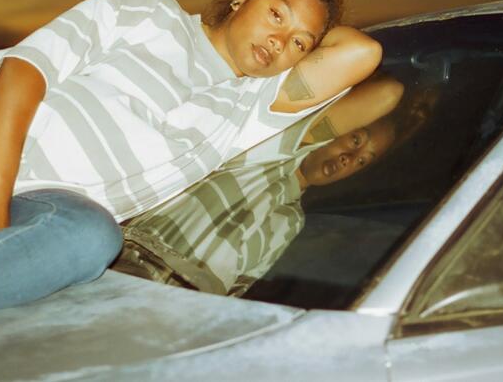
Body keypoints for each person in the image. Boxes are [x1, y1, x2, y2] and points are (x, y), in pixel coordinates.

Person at [0, 0, 381, 333]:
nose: (279, 41)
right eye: (276, 13)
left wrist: (323, 0)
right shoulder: (149, 10)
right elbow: (23, 72)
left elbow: (363, 55)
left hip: (45, 198)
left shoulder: (251, 106)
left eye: (299, 42)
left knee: (94, 236)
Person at [114, 74, 403, 295]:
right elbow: (389, 93)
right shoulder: (269, 150)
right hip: (122, 276)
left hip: (170, 319)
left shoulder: (291, 221)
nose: (349, 159)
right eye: (356, 140)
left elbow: (236, 290)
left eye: (364, 161)